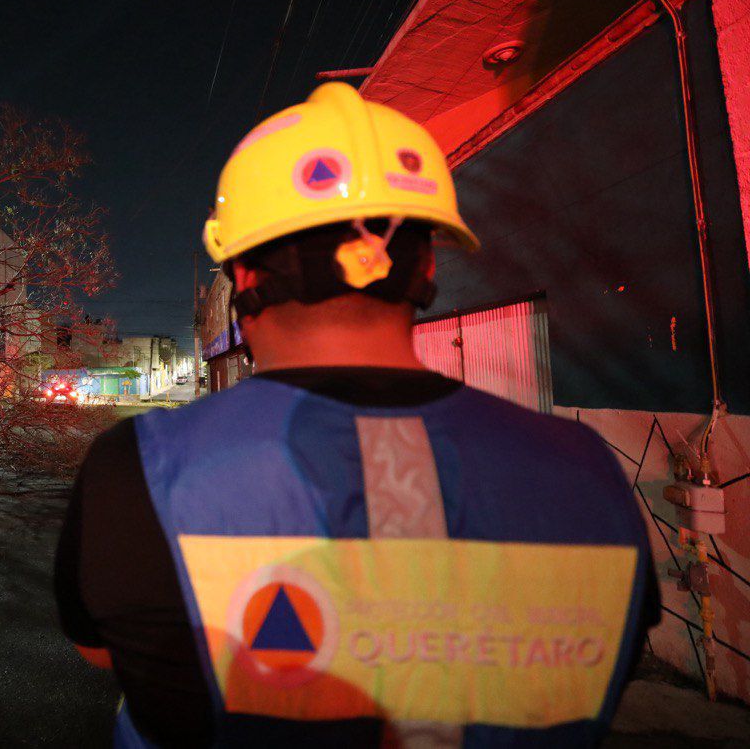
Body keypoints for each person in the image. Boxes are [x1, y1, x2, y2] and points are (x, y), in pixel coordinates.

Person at [55, 82, 659, 747]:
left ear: (245, 280)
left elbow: (103, 651)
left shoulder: (140, 465)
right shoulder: (585, 470)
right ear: (425, 264)